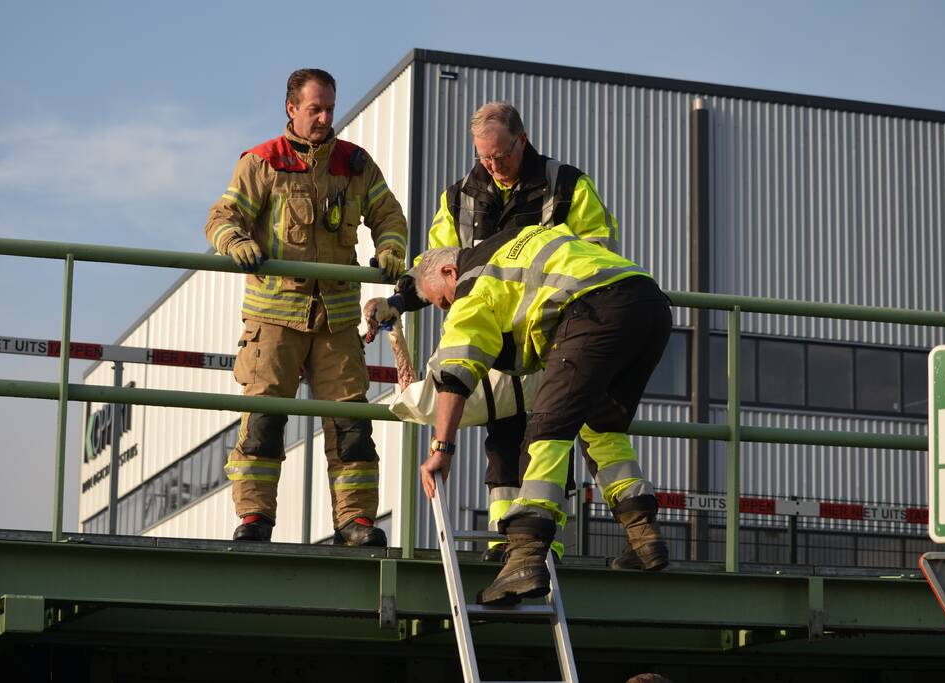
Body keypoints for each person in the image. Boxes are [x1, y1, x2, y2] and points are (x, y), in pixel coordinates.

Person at [369, 101, 618, 562]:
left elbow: (597, 254)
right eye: (484, 157)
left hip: (550, 333)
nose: (493, 165)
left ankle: (544, 542)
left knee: (546, 431)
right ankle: (507, 536)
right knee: (502, 437)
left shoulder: (566, 185)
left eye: (500, 155)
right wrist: (399, 301)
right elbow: (437, 269)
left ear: (521, 140)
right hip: (489, 336)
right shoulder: (459, 196)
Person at [414, 224, 671, 606]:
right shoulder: (516, 240)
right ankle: (644, 536)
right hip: (648, 304)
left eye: (442, 301)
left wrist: (442, 447)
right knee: (600, 427)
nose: (447, 309)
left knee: (545, 433)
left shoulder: (473, 282)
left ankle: (525, 556)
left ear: (450, 273)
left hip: (593, 310)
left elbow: (455, 368)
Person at [204, 68, 408, 545]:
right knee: (264, 422)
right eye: (314, 109)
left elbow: (389, 217)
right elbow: (221, 217)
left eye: (330, 109)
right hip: (273, 318)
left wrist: (392, 250)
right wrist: (234, 241)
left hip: (336, 319)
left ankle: (355, 523)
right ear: (291, 109)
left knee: (352, 426)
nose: (323, 118)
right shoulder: (262, 161)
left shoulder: (355, 164)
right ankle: (255, 519)